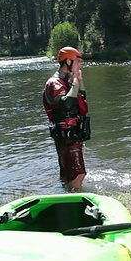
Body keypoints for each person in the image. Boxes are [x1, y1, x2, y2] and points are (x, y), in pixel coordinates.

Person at [42, 46, 91, 190]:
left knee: (68, 173)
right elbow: (67, 103)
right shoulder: (54, 83)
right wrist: (75, 79)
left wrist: (78, 79)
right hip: (67, 135)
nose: (79, 65)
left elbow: (81, 96)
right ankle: (76, 196)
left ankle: (66, 192)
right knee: (78, 174)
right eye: (77, 62)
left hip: (72, 132)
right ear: (68, 61)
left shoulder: (66, 81)